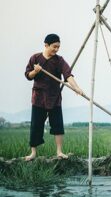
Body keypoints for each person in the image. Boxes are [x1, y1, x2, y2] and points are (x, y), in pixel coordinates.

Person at [24, 33, 83, 161]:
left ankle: (59, 151)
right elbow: (28, 76)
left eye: (58, 47)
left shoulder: (59, 60)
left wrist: (76, 87)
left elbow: (68, 75)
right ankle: (33, 153)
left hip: (54, 97)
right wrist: (36, 71)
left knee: (57, 125)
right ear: (46, 45)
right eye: (54, 47)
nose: (56, 49)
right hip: (38, 97)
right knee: (36, 125)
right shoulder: (35, 58)